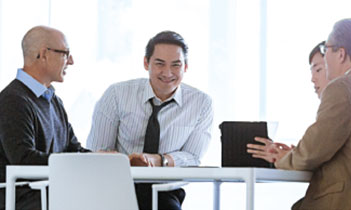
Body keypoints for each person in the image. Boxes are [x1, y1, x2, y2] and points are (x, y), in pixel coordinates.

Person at [247, 18, 351, 210]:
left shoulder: (342, 87)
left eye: (326, 49)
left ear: (341, 54)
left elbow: (313, 150)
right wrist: (295, 152)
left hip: (343, 202)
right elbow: (342, 147)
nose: (324, 58)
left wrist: (282, 158)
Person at [87, 31, 213, 210]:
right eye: (160, 64)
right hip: (117, 184)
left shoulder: (201, 103)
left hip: (165, 188)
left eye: (176, 65)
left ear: (185, 67)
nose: (168, 73)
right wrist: (126, 161)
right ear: (146, 63)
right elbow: (97, 151)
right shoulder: (116, 95)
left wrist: (158, 160)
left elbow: (193, 157)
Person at [0, 26, 90, 210]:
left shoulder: (54, 101)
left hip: (51, 194)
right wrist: (77, 163)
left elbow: (74, 151)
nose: (71, 61)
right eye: (65, 53)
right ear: (43, 54)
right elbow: (24, 159)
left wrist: (107, 160)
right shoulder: (13, 100)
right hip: (25, 198)